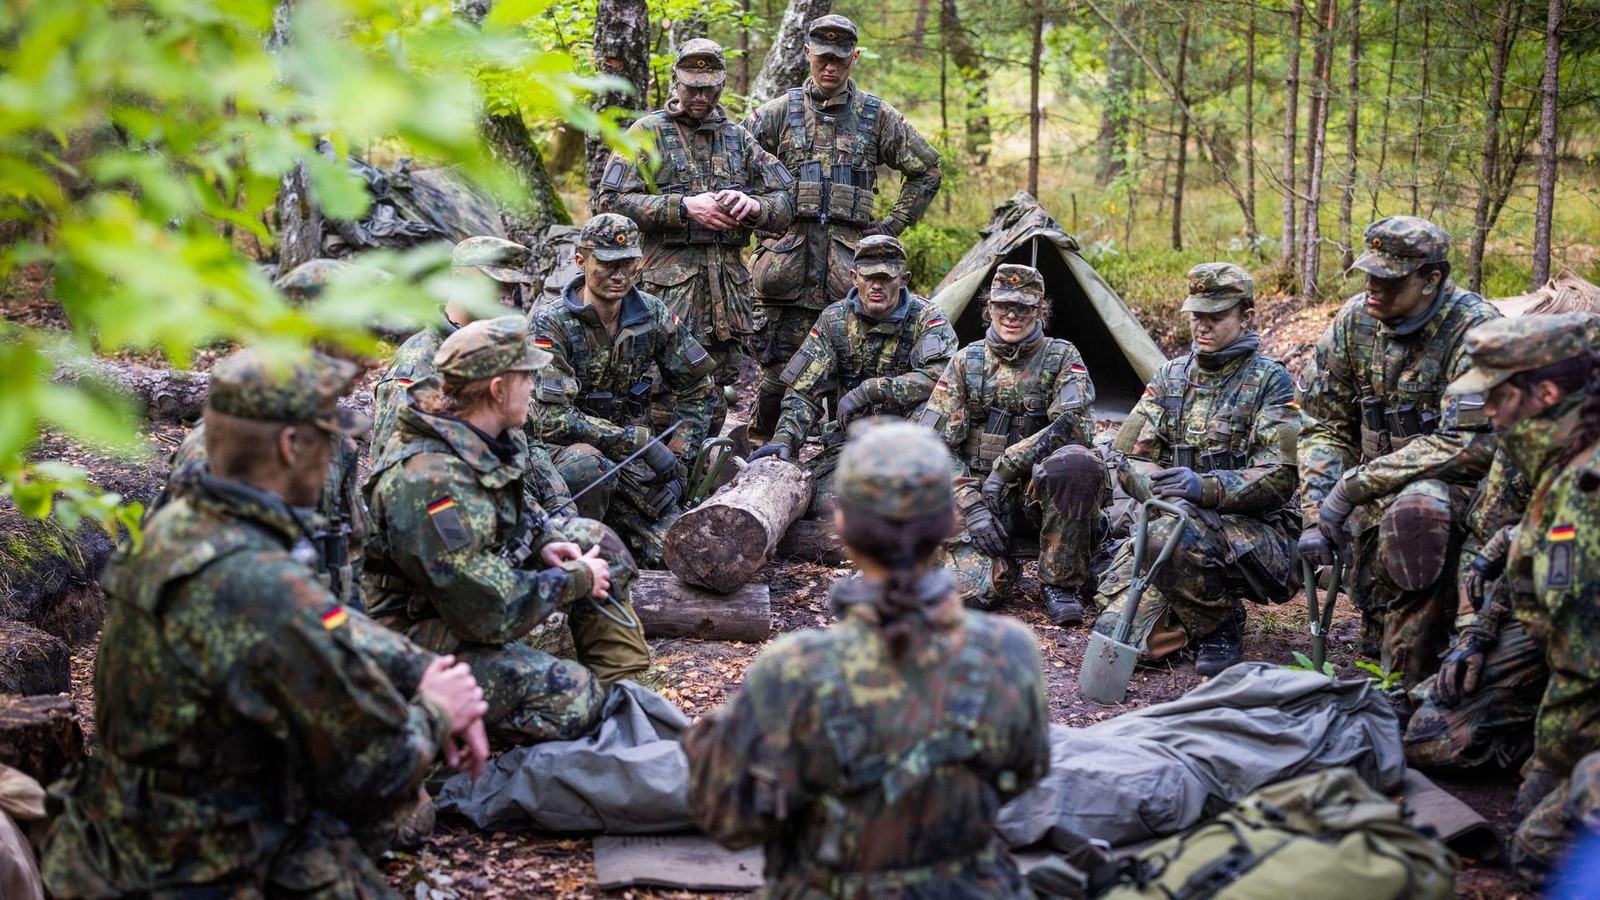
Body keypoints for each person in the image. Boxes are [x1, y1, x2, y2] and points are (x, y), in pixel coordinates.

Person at [41, 348, 489, 897]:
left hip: (126, 831)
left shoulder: (183, 523)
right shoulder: (255, 580)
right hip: (197, 864)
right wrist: (442, 710)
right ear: (290, 445)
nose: (335, 454)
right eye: (328, 437)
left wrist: (418, 667)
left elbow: (325, 617)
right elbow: (373, 770)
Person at [684, 421, 1050, 897]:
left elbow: (730, 821)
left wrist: (712, 741)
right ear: (946, 524)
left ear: (841, 526)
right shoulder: (1010, 651)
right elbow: (1023, 777)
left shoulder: (796, 667)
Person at [364, 316, 652, 744]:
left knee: (593, 542)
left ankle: (625, 694)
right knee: (572, 698)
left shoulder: (492, 434)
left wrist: (547, 541)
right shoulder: (427, 481)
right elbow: (485, 610)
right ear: (498, 390)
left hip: (469, 599)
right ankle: (453, 756)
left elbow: (519, 507)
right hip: (414, 632)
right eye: (527, 378)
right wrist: (573, 580)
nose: (534, 388)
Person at [1431, 313, 1600, 885]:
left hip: (1587, 677)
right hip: (1574, 663)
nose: (1491, 413)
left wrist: (1549, 765)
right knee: (1434, 733)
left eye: (1498, 397)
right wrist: (1477, 630)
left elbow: (1583, 665)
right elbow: (1530, 556)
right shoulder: (1563, 449)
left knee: (1540, 850)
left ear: (1545, 393)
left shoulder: (1586, 493)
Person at [1297, 215, 1499, 691]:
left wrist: (1352, 487)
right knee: (1375, 629)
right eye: (1369, 274)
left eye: (1389, 280)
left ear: (1431, 279)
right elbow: (1323, 422)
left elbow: (1471, 444)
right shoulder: (1355, 321)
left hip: (1455, 501)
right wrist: (1317, 511)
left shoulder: (1475, 331)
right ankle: (1385, 635)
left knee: (1418, 510)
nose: (1373, 288)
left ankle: (1410, 678)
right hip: (1375, 497)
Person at [1092, 263, 1301, 676]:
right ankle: (1193, 606)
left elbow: (1281, 475)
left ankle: (1220, 625)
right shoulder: (1170, 376)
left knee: (1168, 534)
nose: (1202, 327)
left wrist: (1206, 488)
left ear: (1246, 314)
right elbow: (1129, 457)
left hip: (1254, 535)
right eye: (1196, 316)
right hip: (1173, 522)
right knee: (1121, 630)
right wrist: (1162, 489)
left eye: (1216, 317)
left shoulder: (1270, 383)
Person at [743, 14, 944, 442]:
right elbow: (732, 166)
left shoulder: (876, 116)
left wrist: (892, 227)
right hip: (785, 273)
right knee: (778, 378)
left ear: (853, 58)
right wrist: (761, 212)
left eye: (839, 59)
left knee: (850, 379)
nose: (829, 68)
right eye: (821, 58)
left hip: (849, 275)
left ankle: (836, 467)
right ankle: (763, 462)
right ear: (807, 54)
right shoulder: (778, 113)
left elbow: (927, 169)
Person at [595, 38, 795, 401]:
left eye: (709, 88)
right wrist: (684, 207)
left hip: (726, 294)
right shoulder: (647, 133)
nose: (701, 96)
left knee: (715, 395)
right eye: (692, 88)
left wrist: (753, 207)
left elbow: (785, 199)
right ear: (676, 81)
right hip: (666, 292)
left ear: (721, 84)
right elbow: (609, 202)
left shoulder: (738, 139)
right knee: (658, 392)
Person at [919, 263, 1106, 625]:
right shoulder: (966, 361)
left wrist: (1007, 467)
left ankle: (1060, 582)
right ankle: (999, 568)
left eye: (1023, 307)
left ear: (1041, 310)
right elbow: (934, 446)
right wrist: (971, 504)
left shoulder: (1062, 357)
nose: (1011, 316)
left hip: (1042, 494)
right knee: (973, 594)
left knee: (1078, 464)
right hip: (982, 497)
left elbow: (1075, 425)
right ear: (988, 307)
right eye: (1003, 305)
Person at [529, 214, 720, 568]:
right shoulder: (550, 323)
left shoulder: (651, 312)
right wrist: (639, 441)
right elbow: (551, 421)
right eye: (606, 264)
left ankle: (622, 542)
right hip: (567, 455)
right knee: (589, 467)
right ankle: (573, 560)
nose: (619, 275)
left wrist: (680, 459)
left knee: (685, 553)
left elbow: (700, 388)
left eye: (628, 264)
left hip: (632, 460)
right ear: (580, 261)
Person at [747, 234, 957, 516]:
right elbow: (804, 391)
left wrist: (869, 390)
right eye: (869, 278)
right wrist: (785, 439)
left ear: (903, 279)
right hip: (855, 439)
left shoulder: (927, 319)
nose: (876, 286)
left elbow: (941, 378)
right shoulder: (834, 320)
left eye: (886, 278)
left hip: (911, 442)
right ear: (854, 277)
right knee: (822, 502)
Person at [369, 236, 573, 511]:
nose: (506, 297)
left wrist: (559, 504)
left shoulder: (500, 351)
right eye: (494, 283)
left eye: (511, 287)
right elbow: (394, 473)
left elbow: (529, 440)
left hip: (516, 500)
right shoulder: (419, 363)